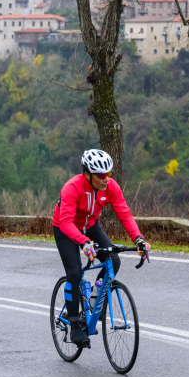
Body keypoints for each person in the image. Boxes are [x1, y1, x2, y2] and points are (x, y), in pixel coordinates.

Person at [52, 149, 151, 348]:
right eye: (100, 175)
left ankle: (93, 302)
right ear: (87, 174)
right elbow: (66, 222)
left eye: (108, 174)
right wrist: (83, 242)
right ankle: (74, 324)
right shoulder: (71, 188)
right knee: (74, 273)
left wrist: (138, 238)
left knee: (112, 260)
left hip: (90, 226)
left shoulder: (111, 187)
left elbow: (124, 213)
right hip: (66, 229)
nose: (106, 179)